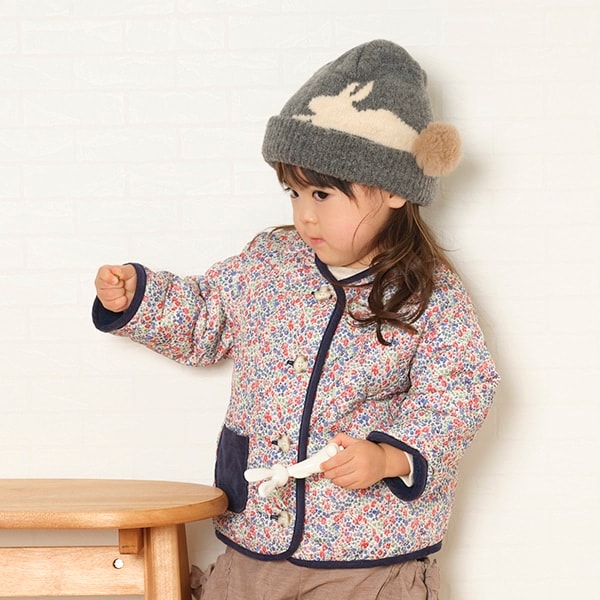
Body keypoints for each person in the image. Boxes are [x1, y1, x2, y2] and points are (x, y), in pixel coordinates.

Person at [93, 39, 500, 600]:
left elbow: (461, 387)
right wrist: (138, 298)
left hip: (366, 553)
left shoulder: (427, 292)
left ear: (392, 191)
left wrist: (390, 456)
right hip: (257, 534)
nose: (305, 214)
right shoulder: (270, 261)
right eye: (294, 192)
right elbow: (208, 315)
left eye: (323, 194)